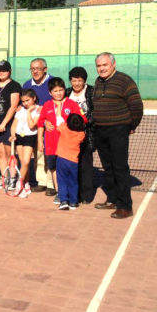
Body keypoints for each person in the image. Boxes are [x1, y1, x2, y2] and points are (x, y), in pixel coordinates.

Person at [92, 52, 144, 219]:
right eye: (99, 66)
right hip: (101, 130)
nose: (102, 68)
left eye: (105, 65)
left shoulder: (125, 81)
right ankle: (113, 199)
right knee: (108, 168)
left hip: (118, 130)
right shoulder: (98, 82)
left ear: (113, 64)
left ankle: (125, 206)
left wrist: (131, 125)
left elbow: (136, 105)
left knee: (120, 168)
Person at [36, 77, 84, 202]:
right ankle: (59, 193)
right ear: (50, 93)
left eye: (61, 90)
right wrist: (40, 141)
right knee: (54, 169)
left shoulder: (72, 104)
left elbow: (82, 120)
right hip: (51, 145)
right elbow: (40, 124)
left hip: (67, 148)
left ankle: (70, 194)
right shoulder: (47, 105)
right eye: (55, 91)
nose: (58, 93)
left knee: (67, 170)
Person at [23, 58, 54, 194]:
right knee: (38, 154)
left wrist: (46, 114)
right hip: (33, 128)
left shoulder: (52, 82)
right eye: (32, 69)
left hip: (50, 126)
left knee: (50, 155)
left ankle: (52, 183)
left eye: (38, 68)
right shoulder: (26, 85)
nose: (35, 71)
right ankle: (41, 182)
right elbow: (23, 104)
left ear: (45, 69)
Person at [0, 60, 21, 190]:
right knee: (0, 153)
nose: (1, 73)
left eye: (4, 70)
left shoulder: (15, 86)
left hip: (8, 125)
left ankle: (14, 178)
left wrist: (3, 124)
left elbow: (13, 107)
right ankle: (4, 178)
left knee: (10, 153)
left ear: (10, 71)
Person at [66, 67, 95, 204]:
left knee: (86, 166)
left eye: (80, 80)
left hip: (86, 135)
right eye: (74, 80)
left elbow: (95, 112)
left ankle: (87, 194)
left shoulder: (91, 92)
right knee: (72, 165)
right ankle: (74, 193)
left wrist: (84, 123)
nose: (77, 83)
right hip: (69, 137)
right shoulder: (66, 92)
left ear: (84, 81)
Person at [9, 89, 41, 198]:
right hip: (19, 137)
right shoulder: (20, 110)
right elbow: (14, 125)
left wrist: (28, 112)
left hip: (30, 137)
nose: (25, 103)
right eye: (23, 101)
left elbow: (32, 126)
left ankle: (20, 184)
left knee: (26, 162)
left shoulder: (38, 110)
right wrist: (13, 135)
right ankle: (26, 183)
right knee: (23, 163)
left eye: (28, 100)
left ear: (34, 98)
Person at [56, 113, 87, 210]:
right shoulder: (82, 135)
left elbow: (58, 119)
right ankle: (73, 202)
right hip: (73, 162)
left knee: (61, 181)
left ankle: (64, 201)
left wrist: (58, 106)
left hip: (61, 160)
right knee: (73, 181)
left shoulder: (64, 128)